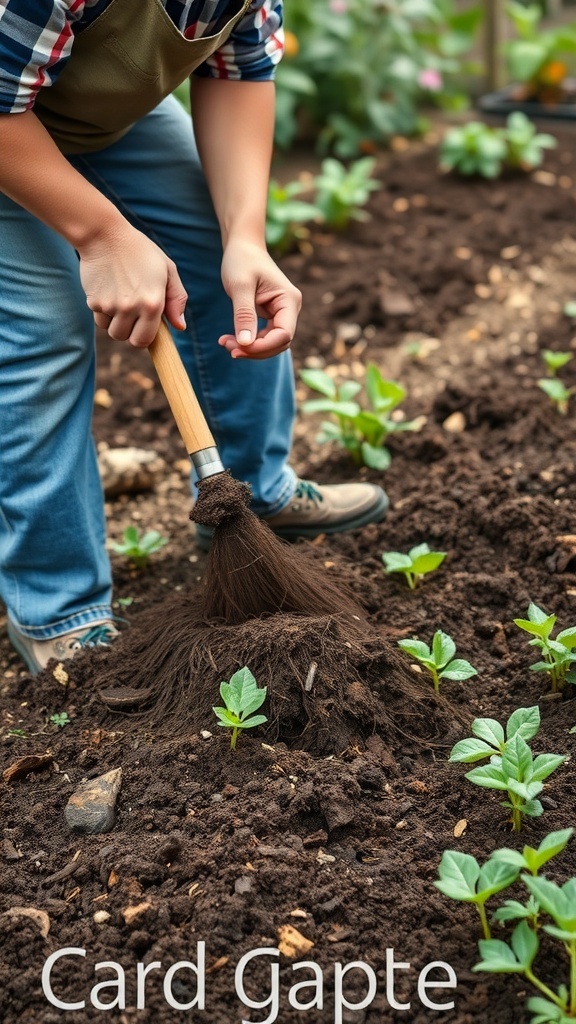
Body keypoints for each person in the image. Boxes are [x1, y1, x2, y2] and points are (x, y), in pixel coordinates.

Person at [0, 0, 388, 675]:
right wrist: (102, 236)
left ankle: (249, 491)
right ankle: (58, 611)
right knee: (48, 332)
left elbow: (240, 70)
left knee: (219, 255)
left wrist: (245, 239)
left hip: (94, 111)